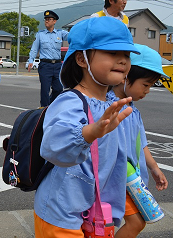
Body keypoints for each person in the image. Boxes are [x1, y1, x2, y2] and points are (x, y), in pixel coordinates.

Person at [33, 17, 139, 237]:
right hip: (61, 210)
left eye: (126, 55)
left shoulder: (112, 104)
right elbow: (53, 146)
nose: (122, 60)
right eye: (112, 53)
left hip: (95, 208)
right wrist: (91, 131)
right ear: (82, 59)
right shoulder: (71, 100)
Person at [110, 44, 169, 238]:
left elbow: (141, 144)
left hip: (130, 179)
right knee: (135, 222)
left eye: (151, 86)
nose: (148, 91)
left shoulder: (133, 111)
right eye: (145, 85)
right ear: (125, 76)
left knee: (137, 222)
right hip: (116, 179)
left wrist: (154, 168)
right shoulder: (107, 107)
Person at [28, 10, 68, 107]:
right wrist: (30, 61)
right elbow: (34, 49)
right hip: (45, 65)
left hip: (58, 65)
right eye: (45, 19)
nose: (46, 21)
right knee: (45, 89)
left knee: (58, 88)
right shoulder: (40, 35)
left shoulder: (60, 33)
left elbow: (73, 36)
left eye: (49, 19)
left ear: (54, 21)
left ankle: (51, 105)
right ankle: (44, 109)